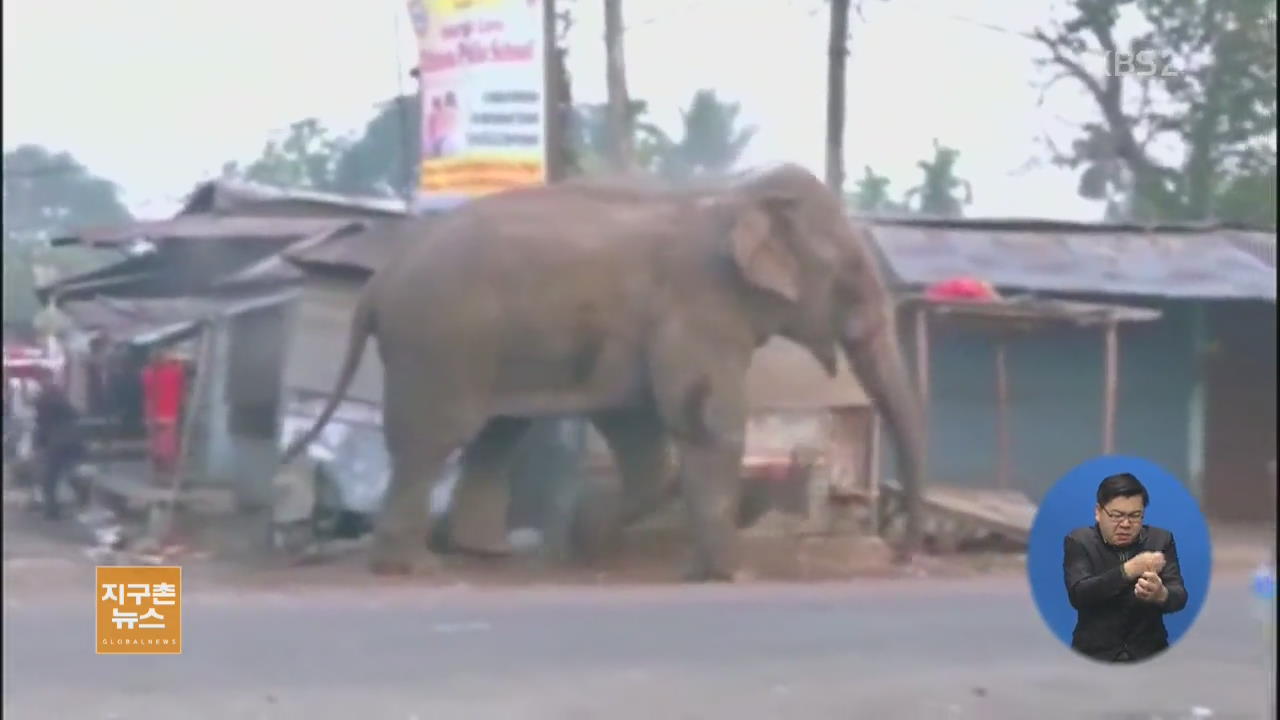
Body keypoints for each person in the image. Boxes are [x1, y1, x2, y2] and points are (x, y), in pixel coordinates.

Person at [1063, 472, 1188, 662]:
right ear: (1098, 512)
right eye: (1116, 516)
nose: (1126, 524)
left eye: (1135, 516)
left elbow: (1179, 595)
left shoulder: (1160, 540)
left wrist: (1161, 594)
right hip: (1095, 655)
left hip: (1149, 654)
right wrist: (1128, 570)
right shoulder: (1080, 541)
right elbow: (1080, 594)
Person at [33, 382, 86, 519]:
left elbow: (41, 426)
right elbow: (77, 415)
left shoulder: (43, 405)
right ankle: (81, 491)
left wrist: (38, 445)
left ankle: (52, 510)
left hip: (55, 444)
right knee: (70, 471)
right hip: (73, 441)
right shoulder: (64, 403)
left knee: (50, 478)